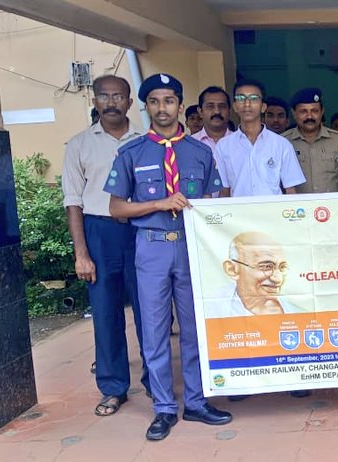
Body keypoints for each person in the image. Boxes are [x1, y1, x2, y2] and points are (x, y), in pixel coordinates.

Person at [105, 73, 231, 441]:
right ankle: (163, 407)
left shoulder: (201, 152)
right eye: (156, 102)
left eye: (170, 101)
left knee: (193, 328)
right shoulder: (132, 152)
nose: (163, 108)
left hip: (191, 246)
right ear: (147, 107)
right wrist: (159, 203)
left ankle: (195, 401)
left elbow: (214, 200)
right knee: (156, 330)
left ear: (180, 104)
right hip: (152, 246)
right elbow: (116, 208)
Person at [62, 75, 150, 417]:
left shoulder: (146, 142)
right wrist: (81, 253)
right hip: (99, 232)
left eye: (118, 96)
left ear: (130, 102)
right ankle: (113, 387)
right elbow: (73, 203)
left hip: (141, 230)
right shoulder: (79, 145)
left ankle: (155, 381)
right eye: (104, 96)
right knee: (105, 313)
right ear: (95, 102)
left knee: (150, 310)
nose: (111, 102)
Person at [215, 79, 305, 198]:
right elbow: (224, 191)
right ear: (235, 106)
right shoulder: (223, 146)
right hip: (239, 214)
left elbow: (290, 190)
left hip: (273, 213)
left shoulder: (281, 144)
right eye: (241, 98)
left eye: (253, 98)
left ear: (263, 107)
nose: (247, 104)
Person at [206, 231, 307, 318]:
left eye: (282, 268)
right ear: (232, 269)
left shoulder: (299, 314)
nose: (278, 279)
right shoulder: (212, 310)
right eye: (267, 267)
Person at [284, 88, 338, 193]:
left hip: (332, 207)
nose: (309, 116)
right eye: (303, 111)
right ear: (294, 113)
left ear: (322, 112)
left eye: (314, 111)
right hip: (297, 208)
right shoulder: (284, 142)